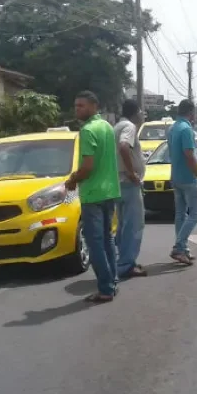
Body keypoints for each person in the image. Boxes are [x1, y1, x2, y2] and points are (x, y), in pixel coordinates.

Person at [65, 91, 121, 303]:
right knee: (107, 240)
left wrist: (72, 180)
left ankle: (105, 288)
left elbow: (87, 166)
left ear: (94, 106)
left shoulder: (87, 131)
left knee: (95, 242)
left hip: (93, 195)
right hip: (110, 192)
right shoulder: (106, 127)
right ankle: (112, 282)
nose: (77, 109)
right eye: (76, 106)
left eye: (81, 106)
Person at [168, 99, 197, 264]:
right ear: (191, 112)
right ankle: (179, 246)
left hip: (176, 177)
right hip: (188, 178)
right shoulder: (186, 130)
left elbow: (172, 154)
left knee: (180, 215)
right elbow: (189, 156)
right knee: (196, 214)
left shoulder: (172, 128)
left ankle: (183, 250)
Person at [114, 99, 147, 279]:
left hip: (118, 182)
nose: (142, 116)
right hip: (128, 182)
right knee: (134, 225)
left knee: (123, 224)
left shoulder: (117, 126)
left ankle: (123, 260)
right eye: (141, 112)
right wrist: (132, 172)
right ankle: (126, 265)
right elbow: (124, 147)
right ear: (135, 112)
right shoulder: (129, 127)